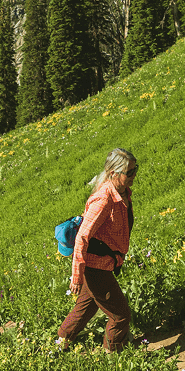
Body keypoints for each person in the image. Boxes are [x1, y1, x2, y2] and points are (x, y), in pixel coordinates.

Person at [57, 148, 138, 351]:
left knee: (85, 309)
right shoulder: (103, 200)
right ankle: (114, 355)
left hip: (103, 264)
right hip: (95, 267)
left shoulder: (122, 193)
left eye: (135, 170)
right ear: (113, 174)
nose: (133, 176)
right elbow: (82, 238)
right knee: (121, 316)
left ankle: (59, 344)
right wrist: (76, 276)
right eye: (129, 172)